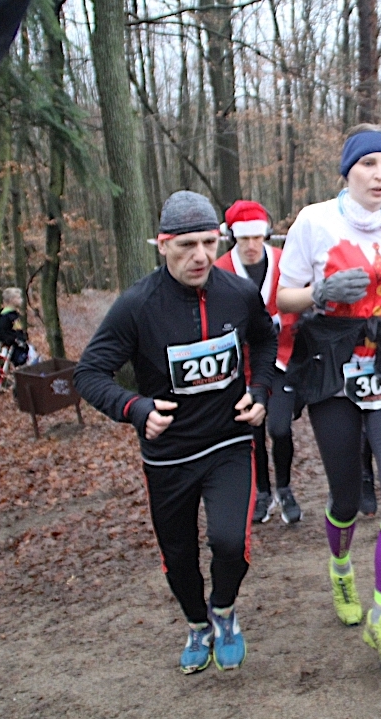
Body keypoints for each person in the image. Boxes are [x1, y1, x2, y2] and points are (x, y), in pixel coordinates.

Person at [74, 190, 276, 674]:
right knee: (179, 553)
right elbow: (89, 373)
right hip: (169, 455)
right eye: (186, 245)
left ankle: (223, 611)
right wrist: (134, 407)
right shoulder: (137, 305)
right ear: (162, 245)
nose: (200, 256)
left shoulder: (238, 293)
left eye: (208, 242)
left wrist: (260, 390)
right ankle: (197, 624)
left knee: (229, 543)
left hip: (229, 441)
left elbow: (265, 340)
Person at [276, 124, 381, 675]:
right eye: (368, 165)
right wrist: (318, 294)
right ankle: (341, 569)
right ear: (348, 171)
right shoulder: (315, 221)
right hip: (332, 367)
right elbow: (282, 297)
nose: (380, 176)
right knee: (345, 498)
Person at [215, 199, 303, 524]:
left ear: (265, 234)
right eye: (244, 238)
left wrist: (283, 321)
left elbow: (301, 300)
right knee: (253, 432)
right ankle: (262, 492)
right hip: (240, 367)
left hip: (281, 359)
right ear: (232, 237)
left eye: (256, 237)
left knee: (279, 428)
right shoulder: (220, 270)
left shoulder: (284, 261)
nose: (251, 245)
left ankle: (285, 488)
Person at [0, 287, 38, 366]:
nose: (21, 300)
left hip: (20, 346)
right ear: (12, 300)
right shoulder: (7, 316)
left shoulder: (13, 315)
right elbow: (1, 332)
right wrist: (15, 339)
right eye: (18, 298)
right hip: (14, 348)